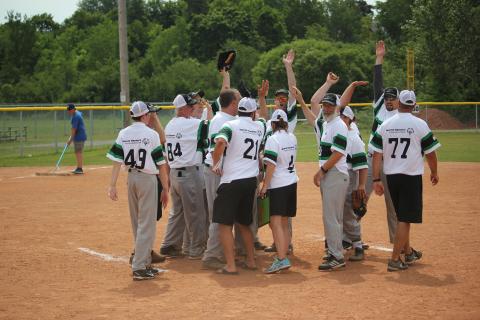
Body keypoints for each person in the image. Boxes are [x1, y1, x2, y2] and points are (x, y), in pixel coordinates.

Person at [370, 90, 440, 271]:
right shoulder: (420, 124)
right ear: (414, 104)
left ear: (399, 103)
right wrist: (434, 172)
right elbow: (431, 153)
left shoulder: (386, 124)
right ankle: (394, 259)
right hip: (410, 176)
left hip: (391, 176)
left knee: (402, 216)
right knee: (405, 219)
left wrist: (376, 178)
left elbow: (377, 153)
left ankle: (408, 252)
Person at [107, 101, 169, 281]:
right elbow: (161, 164)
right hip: (147, 179)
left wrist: (112, 185)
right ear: (143, 116)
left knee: (137, 222)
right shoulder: (151, 134)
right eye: (148, 114)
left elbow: (117, 160)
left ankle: (145, 261)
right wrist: (165, 188)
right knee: (147, 223)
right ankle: (139, 267)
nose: (150, 116)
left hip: (131, 179)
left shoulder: (123, 133)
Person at [211, 97, 265, 274]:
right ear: (252, 112)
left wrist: (215, 162)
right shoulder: (259, 127)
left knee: (225, 225)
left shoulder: (231, 125)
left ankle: (231, 265)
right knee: (244, 223)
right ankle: (251, 261)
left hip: (232, 180)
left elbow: (220, 142)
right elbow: (262, 118)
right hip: (250, 181)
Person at [258, 49, 298, 254]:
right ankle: (280, 243)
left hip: (279, 171)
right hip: (279, 171)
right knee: (279, 212)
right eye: (278, 97)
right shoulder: (272, 120)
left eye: (284, 97)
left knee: (281, 215)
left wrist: (288, 66)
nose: (281, 99)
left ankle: (285, 245)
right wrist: (262, 98)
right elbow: (264, 116)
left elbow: (294, 90)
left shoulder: (288, 117)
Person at [160, 94, 208, 259]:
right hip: (189, 174)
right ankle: (196, 249)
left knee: (178, 212)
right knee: (196, 213)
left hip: (174, 174)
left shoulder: (170, 125)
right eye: (191, 106)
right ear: (182, 108)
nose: (194, 108)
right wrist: (209, 107)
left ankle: (170, 244)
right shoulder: (191, 124)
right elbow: (211, 124)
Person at [201, 89, 240, 270]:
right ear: (232, 103)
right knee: (218, 214)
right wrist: (219, 167)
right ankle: (211, 255)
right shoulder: (220, 121)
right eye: (238, 100)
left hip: (223, 173)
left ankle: (223, 251)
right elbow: (214, 149)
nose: (240, 103)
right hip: (216, 172)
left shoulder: (228, 119)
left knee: (223, 214)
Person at [366, 40, 399, 244]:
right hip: (371, 161)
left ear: (398, 101)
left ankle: (398, 244)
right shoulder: (379, 108)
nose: (388, 100)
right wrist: (379, 59)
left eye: (391, 98)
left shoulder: (401, 116)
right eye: (386, 97)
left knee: (393, 207)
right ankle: (350, 239)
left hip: (391, 163)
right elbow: (377, 84)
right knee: (358, 198)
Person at [313, 93, 350, 271]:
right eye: (324, 105)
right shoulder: (328, 124)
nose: (326, 108)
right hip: (332, 174)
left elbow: (338, 153)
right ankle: (335, 250)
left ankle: (336, 255)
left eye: (329, 105)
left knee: (331, 217)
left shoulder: (338, 125)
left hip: (335, 174)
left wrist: (322, 171)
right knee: (334, 217)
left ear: (337, 107)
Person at [259, 109, 298, 273]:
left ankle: (281, 259)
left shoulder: (273, 139)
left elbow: (271, 166)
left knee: (275, 222)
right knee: (284, 222)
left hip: (278, 184)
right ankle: (284, 252)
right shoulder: (292, 137)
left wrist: (265, 186)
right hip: (292, 182)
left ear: (273, 124)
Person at [338, 106, 368, 261]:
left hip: (349, 176)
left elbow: (362, 165)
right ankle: (339, 244)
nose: (342, 119)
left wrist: (361, 185)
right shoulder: (335, 134)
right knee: (337, 213)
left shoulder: (354, 138)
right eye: (340, 116)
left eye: (345, 117)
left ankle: (358, 245)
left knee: (348, 211)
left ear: (350, 119)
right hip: (335, 176)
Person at [66, 103, 87, 174]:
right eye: (68, 110)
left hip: (79, 136)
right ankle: (79, 167)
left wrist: (70, 140)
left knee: (78, 152)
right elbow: (79, 113)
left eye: (69, 110)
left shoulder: (75, 117)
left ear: (73, 109)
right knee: (77, 152)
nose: (68, 112)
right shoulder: (76, 114)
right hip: (79, 136)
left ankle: (79, 168)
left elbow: (74, 129)